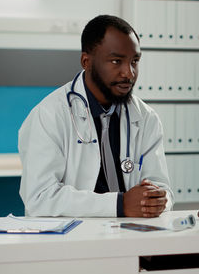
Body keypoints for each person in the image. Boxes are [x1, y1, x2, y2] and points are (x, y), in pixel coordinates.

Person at [19, 15, 174, 217]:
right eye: (116, 61)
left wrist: (158, 199)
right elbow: (39, 198)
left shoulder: (145, 117)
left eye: (134, 61)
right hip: (72, 239)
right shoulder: (49, 115)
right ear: (86, 61)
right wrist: (119, 205)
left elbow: (162, 188)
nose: (129, 73)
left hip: (133, 233)